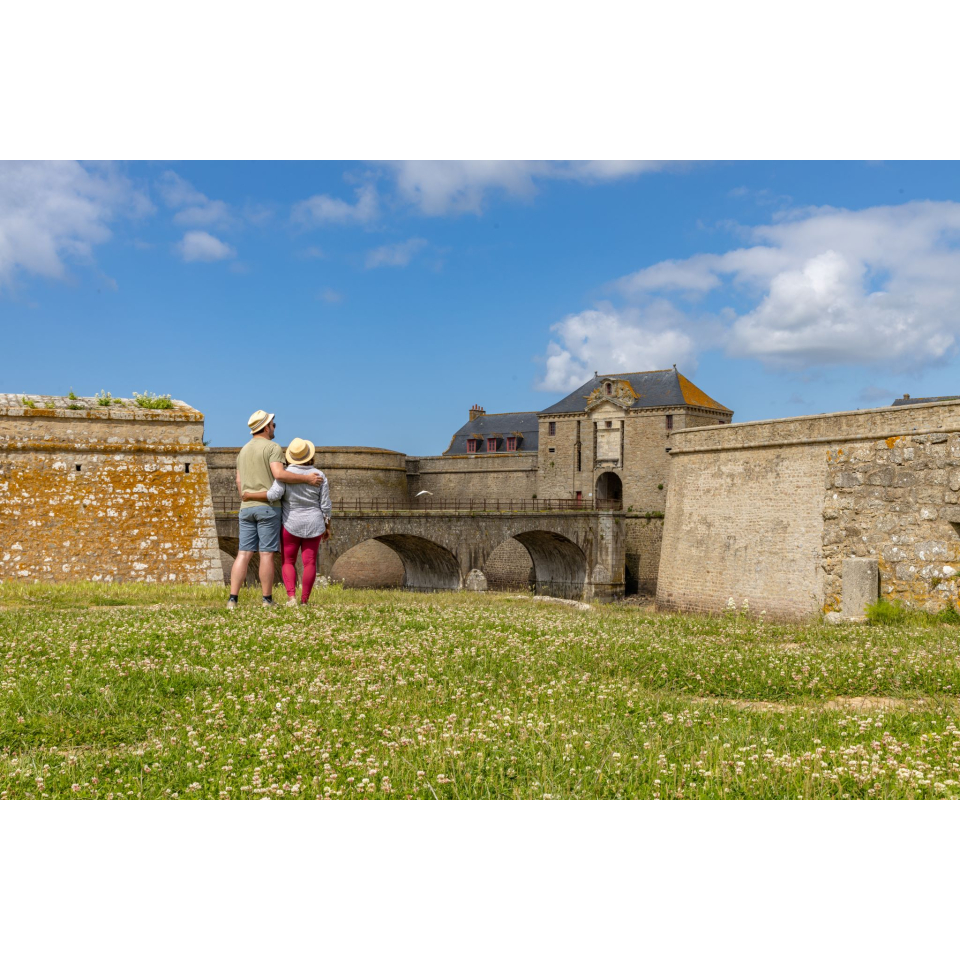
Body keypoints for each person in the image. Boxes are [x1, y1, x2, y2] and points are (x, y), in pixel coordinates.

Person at [227, 410, 324, 610]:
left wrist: (246, 495)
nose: (274, 428)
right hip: (268, 508)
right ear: (265, 427)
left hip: (246, 508)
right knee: (266, 554)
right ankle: (266, 600)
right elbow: (279, 474)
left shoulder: (243, 450)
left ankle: (232, 600)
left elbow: (238, 481)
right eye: (273, 425)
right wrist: (307, 478)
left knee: (243, 553)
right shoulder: (272, 447)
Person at [242, 436, 332, 607]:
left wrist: (250, 495)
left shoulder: (285, 474)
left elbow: (273, 495)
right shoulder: (319, 475)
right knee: (310, 562)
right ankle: (305, 601)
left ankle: (291, 598)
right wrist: (327, 526)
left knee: (288, 561)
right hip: (314, 523)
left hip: (290, 523)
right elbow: (325, 505)